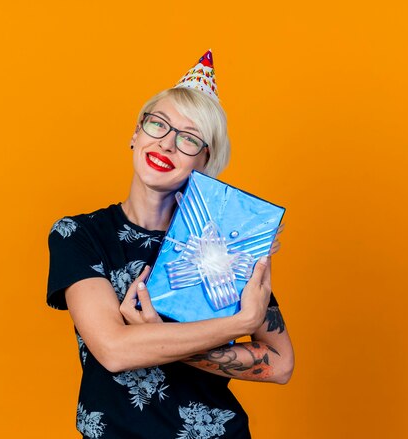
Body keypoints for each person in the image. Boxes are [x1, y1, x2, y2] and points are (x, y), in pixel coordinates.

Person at [47, 50, 294, 439]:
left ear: (205, 162)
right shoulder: (80, 235)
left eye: (189, 139)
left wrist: (153, 334)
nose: (166, 144)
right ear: (136, 133)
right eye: (158, 125)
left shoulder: (222, 245)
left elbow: (280, 364)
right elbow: (115, 350)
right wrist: (236, 324)